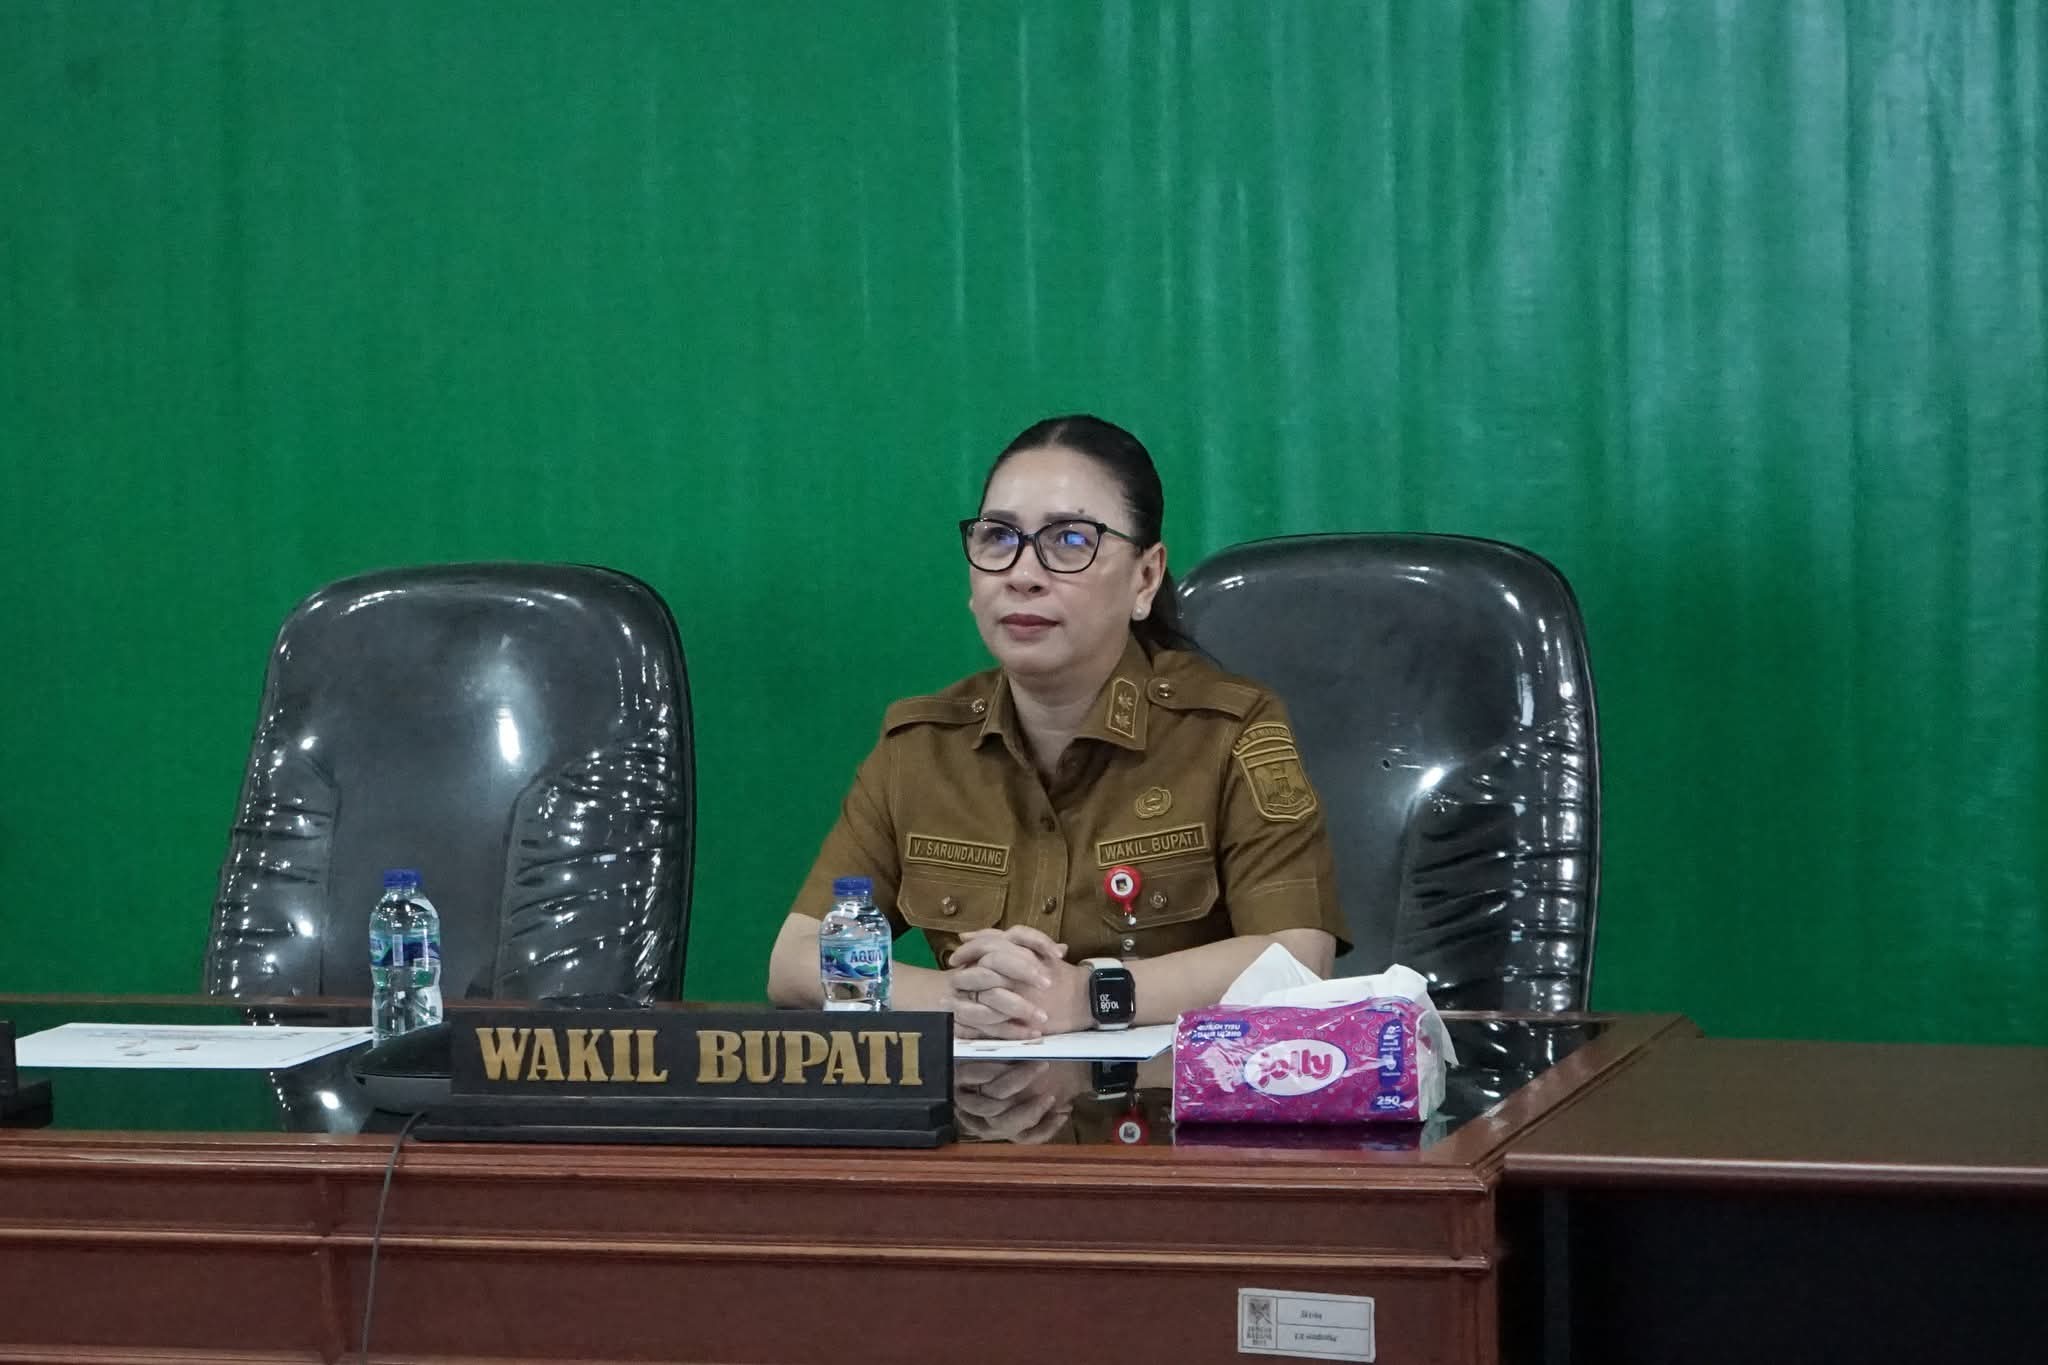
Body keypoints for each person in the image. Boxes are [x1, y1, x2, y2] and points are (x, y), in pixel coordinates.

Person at [766, 414, 1345, 1036]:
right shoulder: (921, 749)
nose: (1022, 574)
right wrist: (950, 999)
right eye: (998, 538)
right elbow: (795, 960)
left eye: (1070, 539)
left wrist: (1091, 995)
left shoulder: (1229, 730)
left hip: (1165, 1096)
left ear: (1145, 578)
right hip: (981, 1092)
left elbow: (1298, 957)